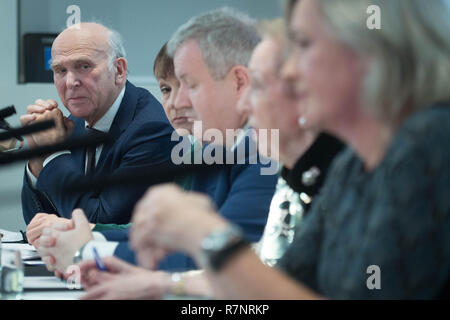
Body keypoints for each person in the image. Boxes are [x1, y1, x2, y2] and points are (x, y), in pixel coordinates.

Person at [126, 0, 450, 299]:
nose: (292, 71)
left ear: (370, 49)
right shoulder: (352, 166)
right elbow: (285, 284)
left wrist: (207, 236)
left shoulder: (430, 142)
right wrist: (166, 282)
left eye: (305, 45)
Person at [76, 16, 343, 300]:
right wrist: (166, 284)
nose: (245, 104)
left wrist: (201, 236)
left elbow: (245, 272)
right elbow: (265, 277)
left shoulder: (319, 171)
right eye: (169, 88)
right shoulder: (291, 172)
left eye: (259, 86)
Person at [37, 9, 278, 275]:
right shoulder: (212, 148)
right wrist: (88, 239)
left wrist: (87, 250)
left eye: (191, 85)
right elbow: (176, 241)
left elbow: (221, 262)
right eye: (168, 88)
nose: (177, 103)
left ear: (239, 82)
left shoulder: (264, 151)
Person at [20, 23, 176, 226]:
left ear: (119, 71)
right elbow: (37, 221)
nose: (70, 82)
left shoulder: (151, 130)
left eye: (84, 66)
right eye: (60, 70)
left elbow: (98, 224)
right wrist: (38, 157)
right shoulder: (75, 121)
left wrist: (55, 154)